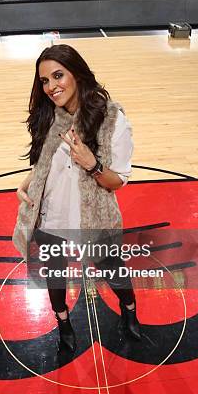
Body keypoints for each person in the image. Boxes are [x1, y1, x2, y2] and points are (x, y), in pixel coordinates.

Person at [13, 44, 142, 352]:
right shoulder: (48, 117)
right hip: (50, 213)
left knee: (112, 268)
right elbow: (45, 164)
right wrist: (27, 183)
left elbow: (118, 181)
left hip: (93, 216)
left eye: (58, 76)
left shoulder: (111, 119)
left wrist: (92, 164)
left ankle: (130, 310)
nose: (51, 87)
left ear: (78, 74)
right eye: (44, 81)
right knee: (55, 276)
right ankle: (63, 322)